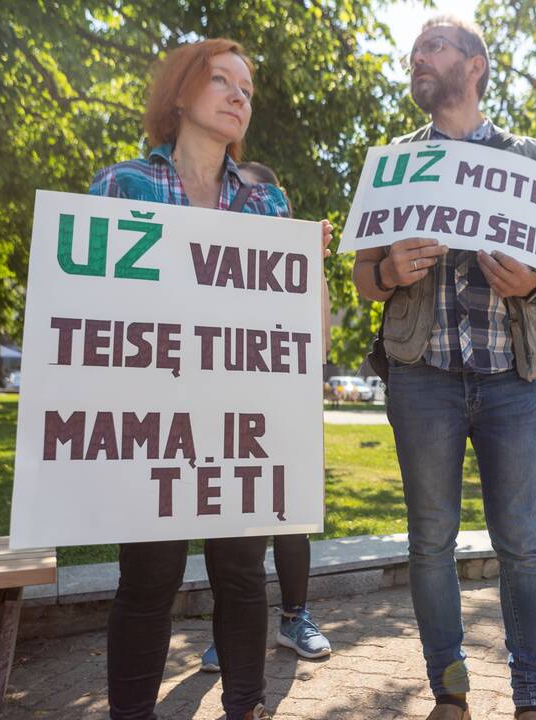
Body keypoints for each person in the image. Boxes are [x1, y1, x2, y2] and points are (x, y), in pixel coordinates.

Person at [89, 39, 333, 720]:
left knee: (241, 577)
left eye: (247, 88)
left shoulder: (269, 202)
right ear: (179, 93)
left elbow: (306, 343)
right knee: (148, 580)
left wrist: (309, 273)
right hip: (155, 420)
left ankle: (245, 708)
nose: (238, 96)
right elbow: (83, 314)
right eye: (221, 80)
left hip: (240, 419)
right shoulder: (122, 187)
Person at [352, 15, 536, 720]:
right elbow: (362, 278)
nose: (418, 57)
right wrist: (388, 267)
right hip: (423, 375)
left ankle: (530, 696)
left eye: (434, 46)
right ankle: (450, 690)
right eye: (415, 50)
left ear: (474, 65)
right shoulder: (393, 161)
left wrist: (529, 284)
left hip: (511, 377)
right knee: (431, 541)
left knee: (523, 546)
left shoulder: (529, 155)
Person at [198, 160, 332, 676]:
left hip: (284, 406)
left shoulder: (294, 268)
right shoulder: (208, 265)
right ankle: (229, 631)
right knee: (229, 521)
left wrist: (313, 264)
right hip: (225, 408)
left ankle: (294, 617)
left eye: (265, 202)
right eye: (243, 200)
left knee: (290, 519)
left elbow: (318, 340)